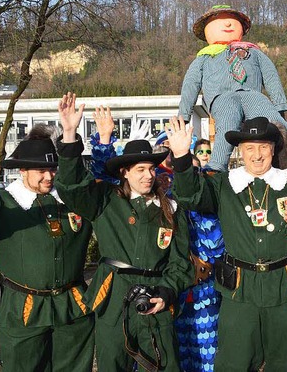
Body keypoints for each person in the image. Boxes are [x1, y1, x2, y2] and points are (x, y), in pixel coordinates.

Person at [168, 115, 287, 371]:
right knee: (233, 362)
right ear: (240, 151)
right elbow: (189, 195)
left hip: (284, 287)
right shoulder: (223, 184)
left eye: (263, 147)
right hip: (239, 290)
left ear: (273, 149)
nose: (257, 155)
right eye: (250, 147)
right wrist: (182, 157)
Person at [55, 94, 193, 372]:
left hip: (155, 302)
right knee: (111, 364)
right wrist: (69, 134)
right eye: (140, 169)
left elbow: (180, 263)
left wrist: (167, 292)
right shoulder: (105, 200)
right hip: (113, 297)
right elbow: (70, 188)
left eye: (152, 169)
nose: (148, 175)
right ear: (125, 172)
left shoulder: (171, 209)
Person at [0, 126, 95, 371]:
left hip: (72, 307)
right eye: (41, 170)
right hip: (22, 308)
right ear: (23, 169)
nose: (49, 176)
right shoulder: (3, 202)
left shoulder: (72, 200)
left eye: (53, 169)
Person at [179, 4, 287, 171]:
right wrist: (183, 114)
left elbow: (271, 76)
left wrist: (280, 106)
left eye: (232, 21)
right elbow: (190, 84)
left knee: (275, 123)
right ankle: (216, 166)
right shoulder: (203, 58)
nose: (228, 25)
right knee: (227, 124)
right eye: (221, 21)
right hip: (221, 96)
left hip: (253, 94)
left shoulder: (254, 52)